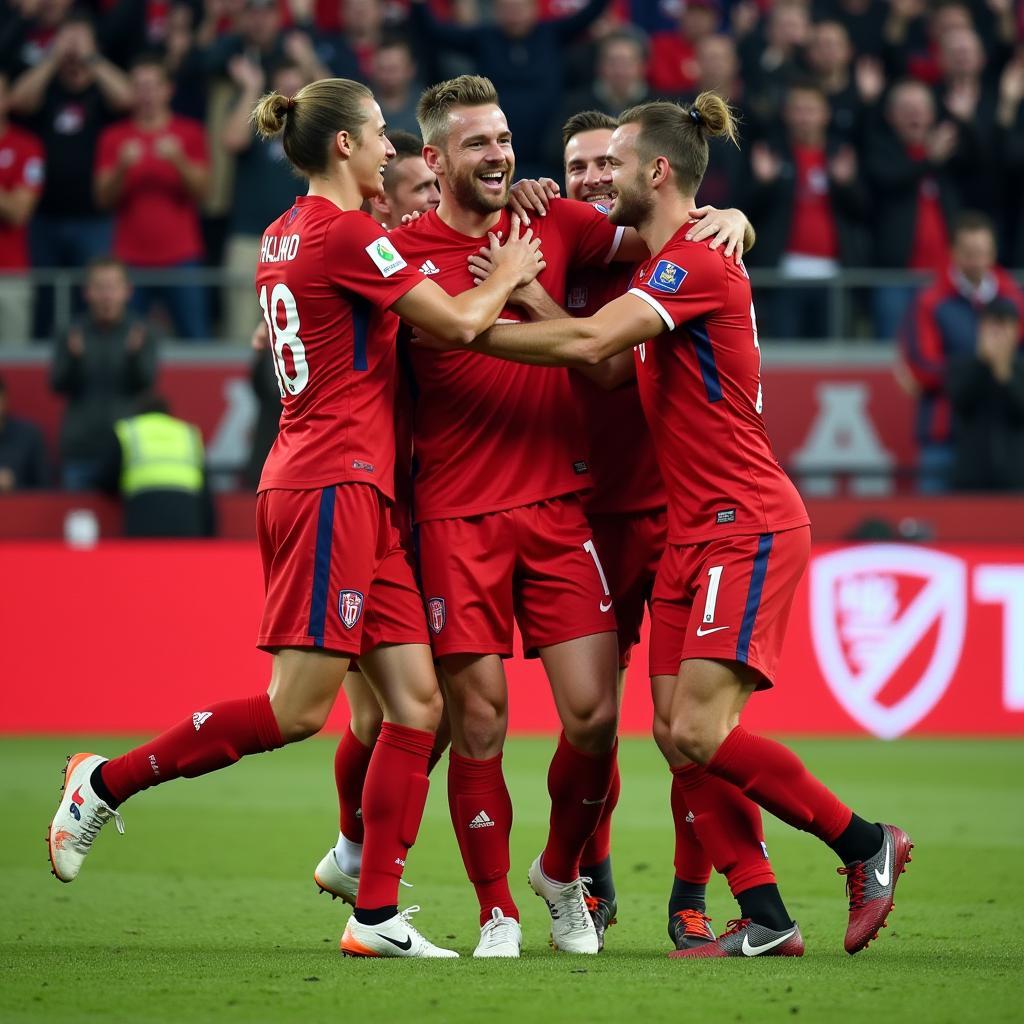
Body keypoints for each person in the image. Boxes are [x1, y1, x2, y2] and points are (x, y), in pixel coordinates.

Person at [46, 76, 545, 963]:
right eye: (379, 137)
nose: (392, 149)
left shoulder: (284, 231)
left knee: (416, 703)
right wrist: (506, 273)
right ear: (344, 147)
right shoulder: (345, 233)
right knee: (295, 712)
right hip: (330, 485)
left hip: (352, 484)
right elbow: (460, 325)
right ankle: (103, 784)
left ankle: (377, 912)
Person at [427, 91, 913, 959]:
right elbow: (612, 371)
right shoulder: (667, 264)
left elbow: (586, 349)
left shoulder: (693, 263)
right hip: (691, 529)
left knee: (694, 730)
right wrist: (538, 297)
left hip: (743, 522)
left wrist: (471, 326)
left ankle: (865, 843)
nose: (597, 177)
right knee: (674, 734)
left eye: (611, 163)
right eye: (588, 165)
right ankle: (764, 919)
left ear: (655, 171)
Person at [381, 74, 747, 959]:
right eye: (477, 143)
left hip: (557, 509)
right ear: (435, 159)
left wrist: (733, 222)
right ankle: (497, 911)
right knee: (478, 725)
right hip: (454, 518)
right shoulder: (399, 254)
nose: (499, 154)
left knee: (592, 719)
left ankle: (560, 872)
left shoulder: (562, 226)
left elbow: (669, 231)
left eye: (504, 137)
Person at [8, 13, 132, 337]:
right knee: (44, 301)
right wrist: (53, 58)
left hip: (92, 217)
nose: (74, 47)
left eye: (81, 38)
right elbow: (17, 101)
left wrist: (92, 58)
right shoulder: (47, 88)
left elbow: (127, 97)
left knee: (88, 301)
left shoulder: (100, 92)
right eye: (68, 38)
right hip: (44, 216)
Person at [900, 211, 1024, 492]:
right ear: (954, 252)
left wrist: (1000, 367)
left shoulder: (1014, 299)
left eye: (982, 252)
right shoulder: (931, 301)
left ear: (993, 253)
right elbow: (922, 366)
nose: (976, 260)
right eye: (969, 252)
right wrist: (987, 363)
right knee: (936, 528)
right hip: (944, 434)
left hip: (1007, 436)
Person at [94, 55, 211, 340]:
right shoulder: (114, 137)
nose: (146, 94)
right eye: (139, 87)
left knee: (196, 341)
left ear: (167, 90)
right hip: (130, 259)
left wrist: (179, 161)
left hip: (181, 256)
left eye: (152, 86)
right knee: (124, 340)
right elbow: (101, 199)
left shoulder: (189, 133)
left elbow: (203, 192)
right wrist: (122, 168)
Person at [743, 81, 868, 339]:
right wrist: (764, 184)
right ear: (787, 114)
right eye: (798, 110)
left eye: (811, 110)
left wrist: (846, 185)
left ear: (825, 114)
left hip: (835, 275)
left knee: (833, 359)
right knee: (786, 358)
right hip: (782, 274)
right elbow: (747, 213)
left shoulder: (841, 152)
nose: (804, 118)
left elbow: (864, 211)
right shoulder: (771, 151)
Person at [50, 257, 159, 491]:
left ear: (127, 291)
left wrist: (133, 358)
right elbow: (57, 385)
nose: (106, 295)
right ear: (87, 292)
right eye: (99, 288)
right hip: (80, 450)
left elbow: (146, 385)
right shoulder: (71, 331)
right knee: (78, 522)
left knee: (126, 526)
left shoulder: (141, 332)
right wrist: (74, 360)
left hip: (127, 450)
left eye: (112, 287)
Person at [222, 58, 311, 343]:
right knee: (240, 331)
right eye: (283, 89)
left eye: (297, 89)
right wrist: (252, 89)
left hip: (299, 241)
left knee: (299, 329)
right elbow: (232, 141)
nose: (289, 98)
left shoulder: (313, 128)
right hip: (250, 237)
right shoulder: (258, 119)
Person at [97, 392, 213, 538]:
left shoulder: (127, 431)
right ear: (167, 414)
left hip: (144, 517)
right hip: (186, 518)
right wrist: (209, 534)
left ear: (137, 413)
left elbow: (105, 479)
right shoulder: (188, 433)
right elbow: (206, 492)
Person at [947, 296, 1024, 491]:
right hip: (971, 477)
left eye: (1004, 326)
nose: (998, 335)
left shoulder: (1021, 369)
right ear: (980, 329)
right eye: (992, 326)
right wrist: (983, 364)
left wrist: (1003, 372)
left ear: (1016, 331)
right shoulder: (961, 365)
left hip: (1016, 477)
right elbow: (960, 402)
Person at [0, 71, 44, 346]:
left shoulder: (27, 146)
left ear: (6, 100)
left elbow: (19, 212)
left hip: (9, 276)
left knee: (12, 366)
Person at [0, 373, 49, 489]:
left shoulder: (30, 436)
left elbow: (46, 487)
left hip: (22, 505)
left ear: (5, 398)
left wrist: (14, 486)